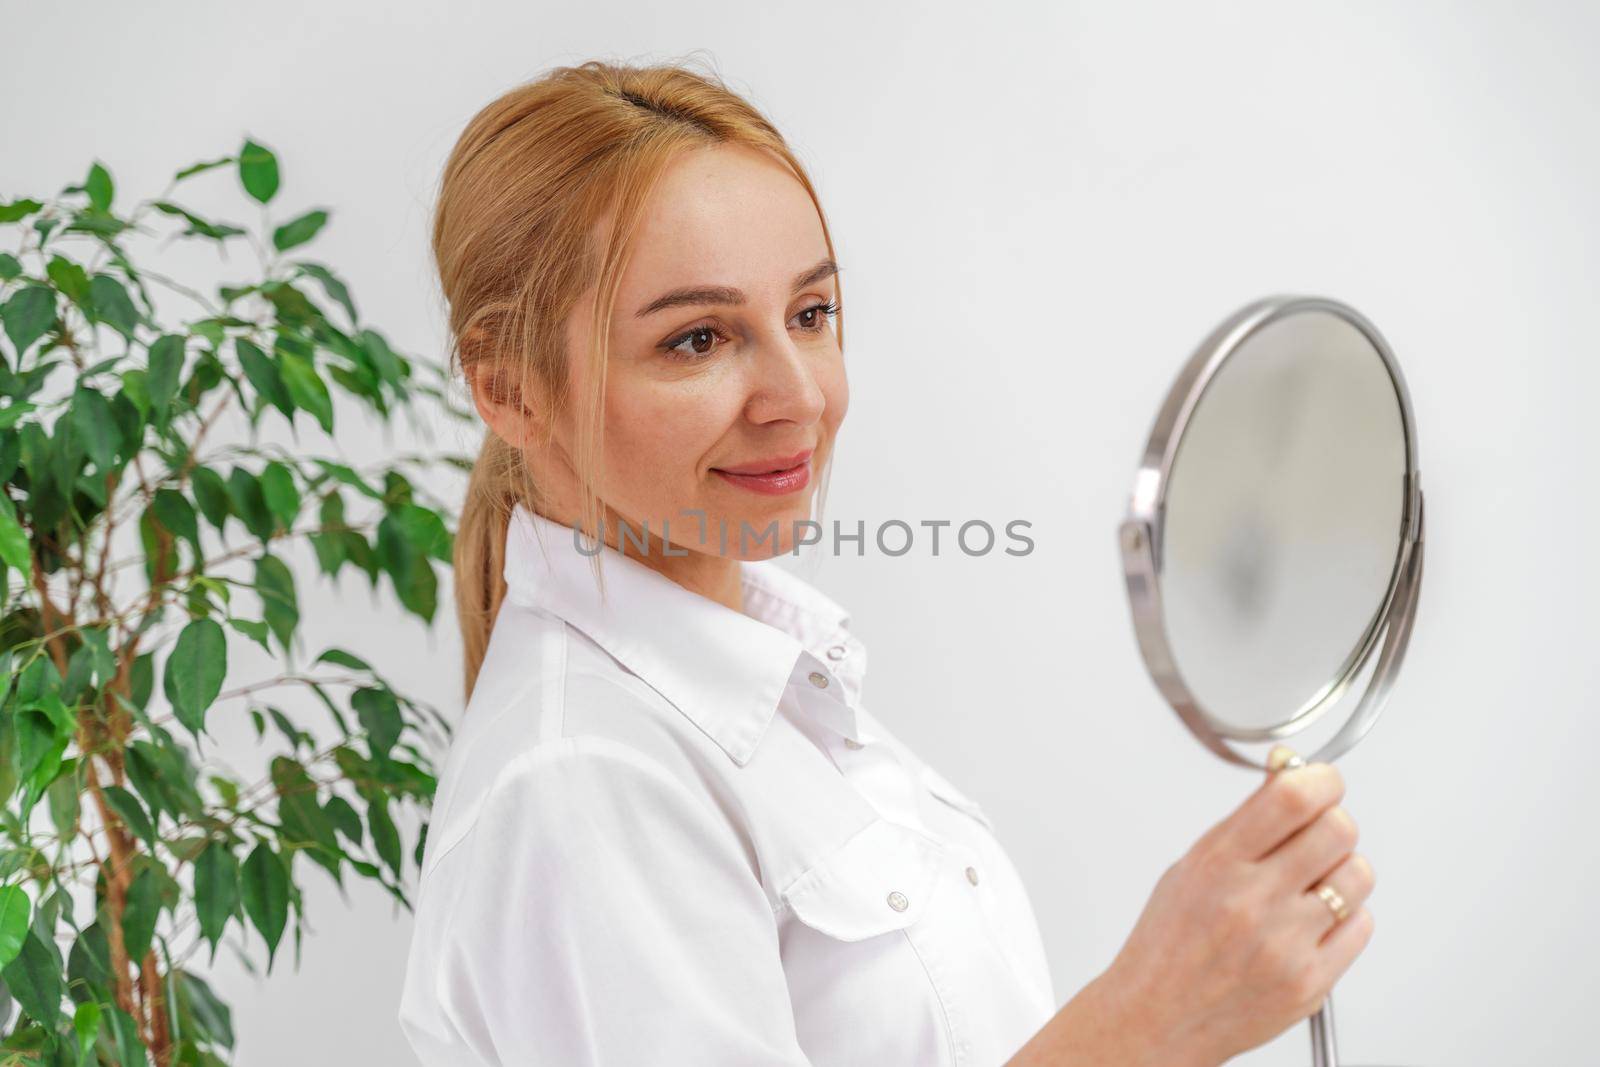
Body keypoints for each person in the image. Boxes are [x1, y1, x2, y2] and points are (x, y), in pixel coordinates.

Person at [397, 58, 1376, 1066]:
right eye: (697, 338)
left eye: (811, 315)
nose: (798, 395)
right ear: (508, 385)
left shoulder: (768, 696)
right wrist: (1148, 1024)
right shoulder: (588, 779)